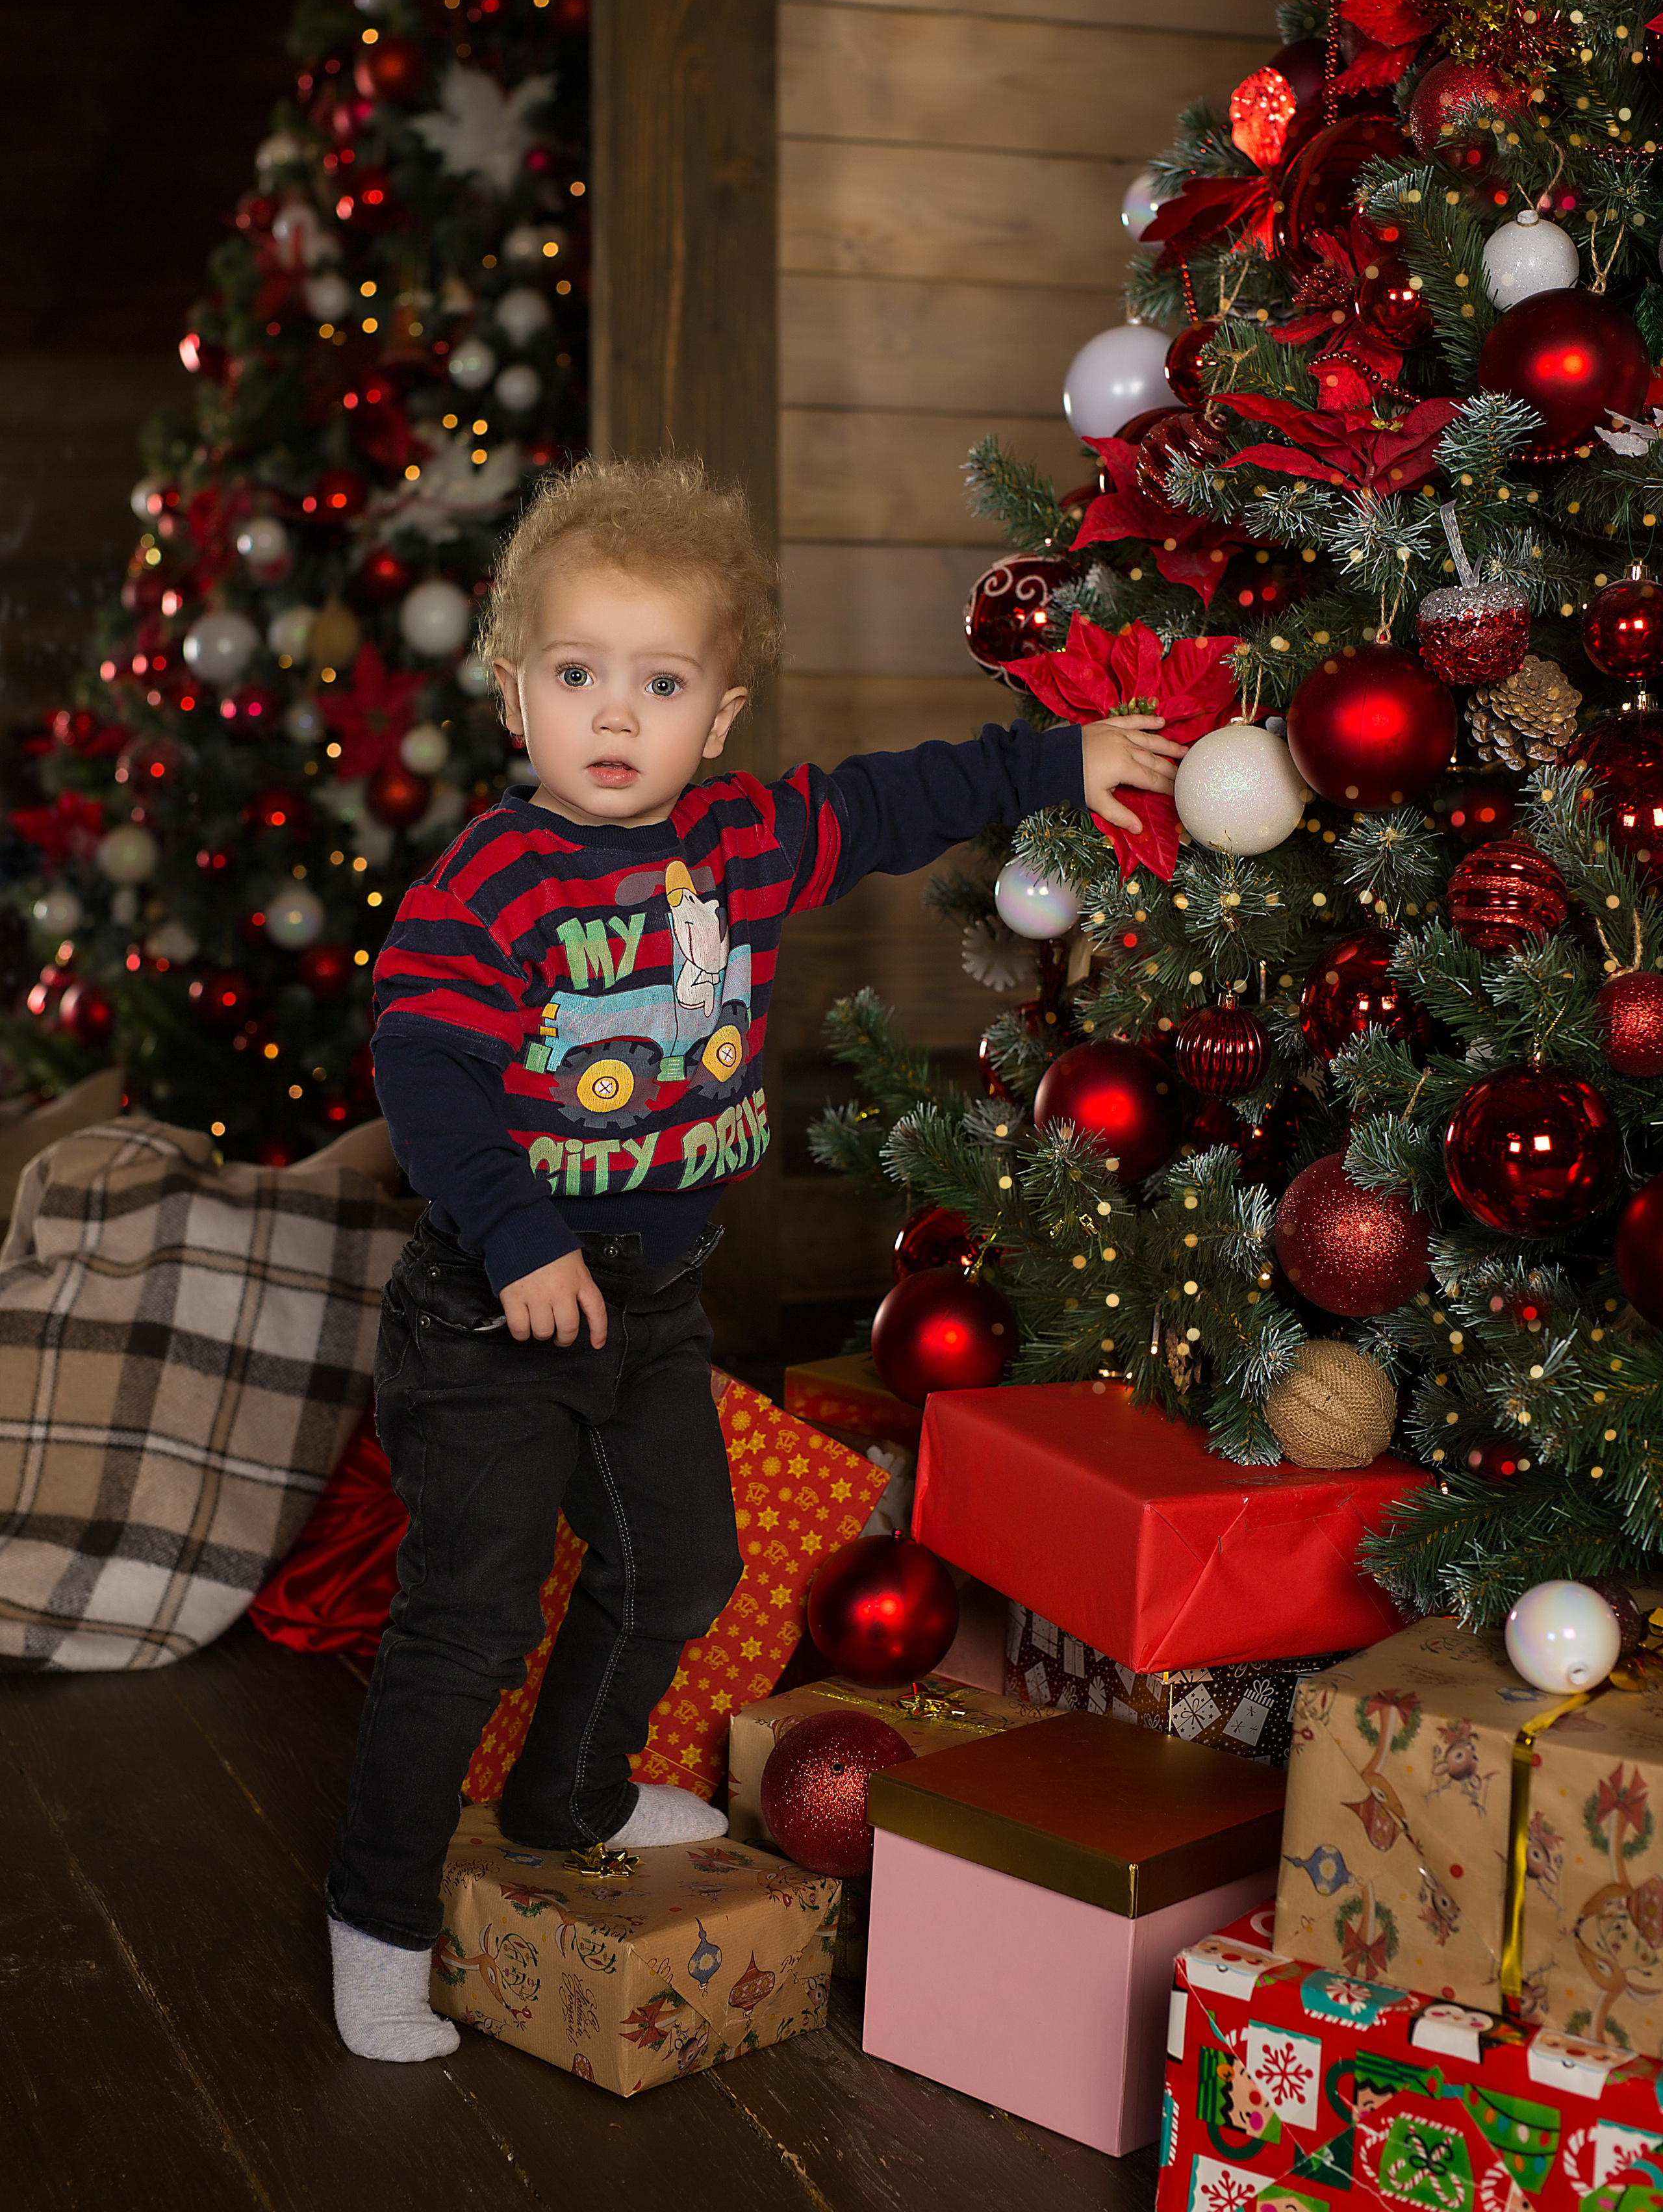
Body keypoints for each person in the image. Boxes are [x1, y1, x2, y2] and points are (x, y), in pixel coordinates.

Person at [324, 455, 1185, 2059]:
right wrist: (513, 1235)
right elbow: (424, 1071)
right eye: (575, 674)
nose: (614, 713)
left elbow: (895, 798)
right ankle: (373, 1918)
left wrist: (1061, 759)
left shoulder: (745, 841)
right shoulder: (488, 884)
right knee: (472, 1620)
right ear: (512, 694)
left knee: (682, 1566)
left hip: (649, 1304)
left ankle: (566, 1795)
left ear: (716, 718)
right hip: (494, 1310)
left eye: (659, 684)